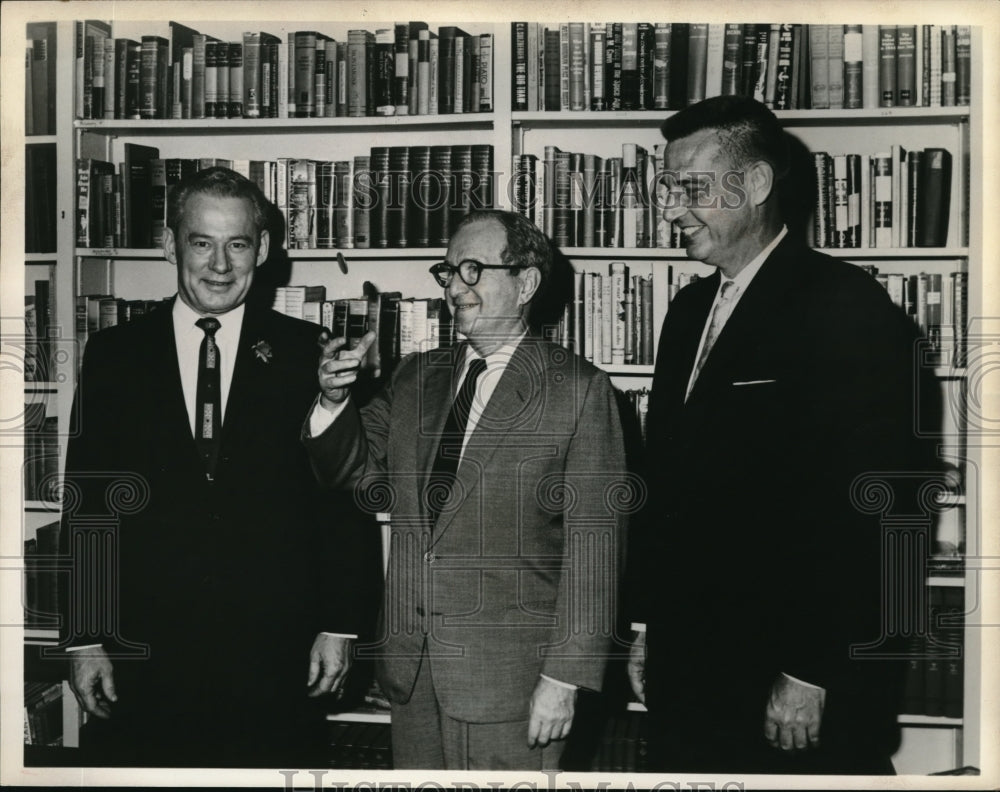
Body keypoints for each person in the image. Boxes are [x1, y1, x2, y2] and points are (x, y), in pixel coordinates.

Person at [627, 95, 934, 774]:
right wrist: (649, 626)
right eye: (668, 188)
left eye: (692, 189)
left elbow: (883, 509)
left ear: (758, 184)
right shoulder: (686, 311)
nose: (671, 208)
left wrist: (814, 671)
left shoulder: (845, 307)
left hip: (788, 685)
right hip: (692, 676)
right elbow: (666, 481)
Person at [60, 166, 365, 767]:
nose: (220, 264)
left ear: (265, 249)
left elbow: (342, 492)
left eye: (238, 244)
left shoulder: (311, 353)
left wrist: (341, 624)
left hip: (275, 652)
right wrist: (86, 637)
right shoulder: (114, 354)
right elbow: (87, 499)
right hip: (143, 652)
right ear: (170, 245)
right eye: (202, 242)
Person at [303, 210, 629, 770]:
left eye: (473, 270)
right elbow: (349, 474)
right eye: (448, 271)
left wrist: (565, 677)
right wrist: (334, 404)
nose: (454, 286)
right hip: (412, 672)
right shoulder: (415, 376)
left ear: (525, 283)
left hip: (517, 683)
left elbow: (595, 549)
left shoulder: (578, 390)